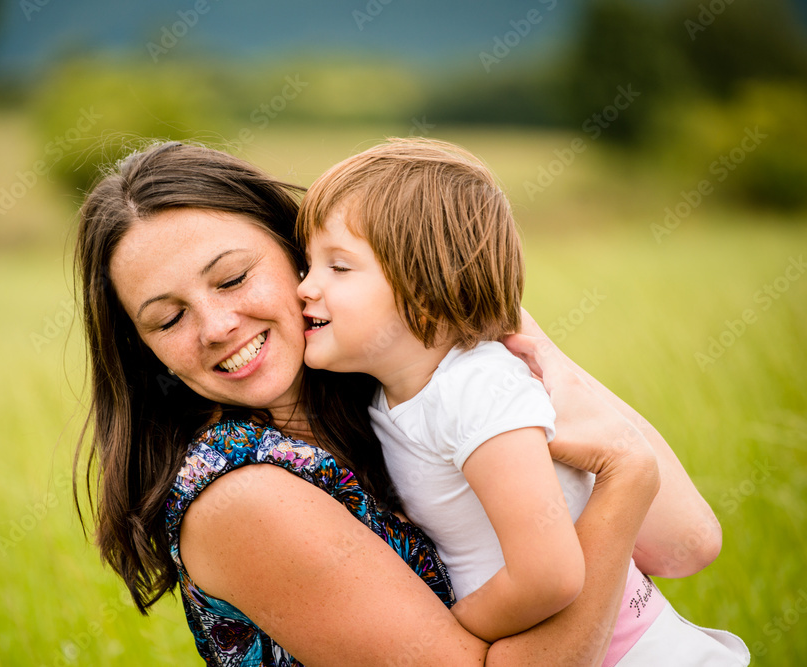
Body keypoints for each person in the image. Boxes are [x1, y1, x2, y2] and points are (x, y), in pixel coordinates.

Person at [73, 140, 719, 665]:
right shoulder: (243, 495)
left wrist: (516, 339)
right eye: (167, 318)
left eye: (234, 277)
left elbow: (685, 544)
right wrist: (625, 480)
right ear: (145, 350)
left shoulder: (400, 381)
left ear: (300, 250)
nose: (215, 326)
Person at [295, 137, 750, 664]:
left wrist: (451, 632)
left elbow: (548, 574)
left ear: (425, 286)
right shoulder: (391, 396)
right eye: (308, 264)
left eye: (339, 267)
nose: (306, 287)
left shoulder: (476, 389)